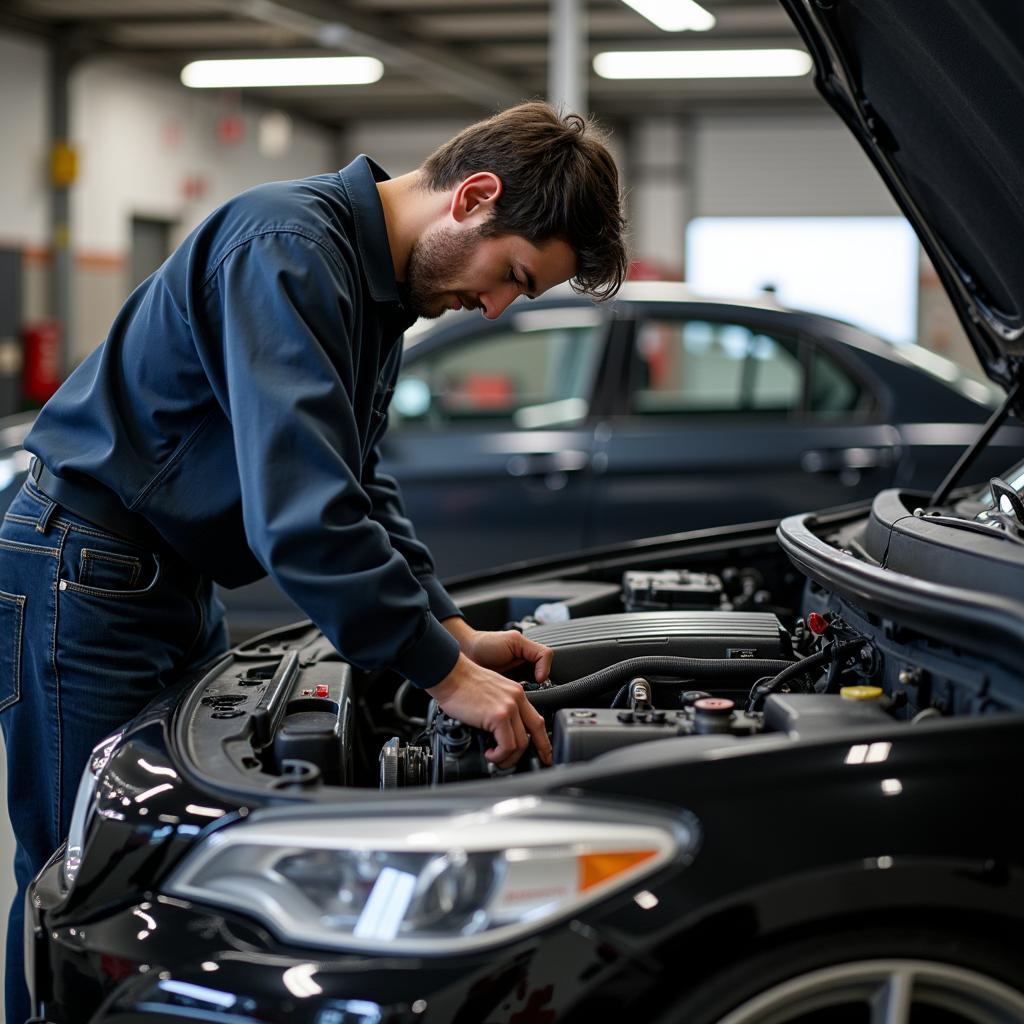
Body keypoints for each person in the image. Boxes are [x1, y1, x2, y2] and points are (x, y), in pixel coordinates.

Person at [0, 99, 627, 1021]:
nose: (493, 307)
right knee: (82, 880)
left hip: (162, 576)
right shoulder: (287, 248)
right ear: (475, 197)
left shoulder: (372, 291)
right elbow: (303, 514)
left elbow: (358, 482)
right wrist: (441, 674)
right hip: (85, 572)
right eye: (512, 276)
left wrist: (447, 626)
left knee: (161, 867)